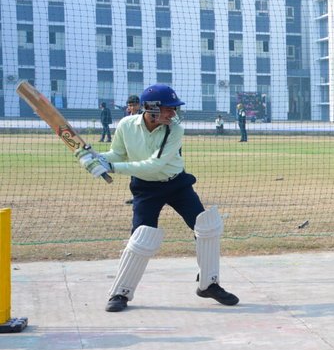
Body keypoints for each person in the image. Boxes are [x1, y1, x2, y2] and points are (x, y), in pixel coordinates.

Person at [77, 84, 239, 313]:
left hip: (177, 184)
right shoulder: (126, 125)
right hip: (145, 188)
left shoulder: (175, 129)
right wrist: (95, 157)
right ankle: (120, 292)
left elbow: (156, 164)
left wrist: (110, 166)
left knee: (207, 227)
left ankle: (209, 285)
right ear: (151, 108)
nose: (173, 114)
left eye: (174, 109)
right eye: (168, 109)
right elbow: (118, 154)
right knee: (141, 237)